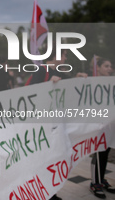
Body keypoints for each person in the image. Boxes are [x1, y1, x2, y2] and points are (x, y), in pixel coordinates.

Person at [29, 48, 87, 200]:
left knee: (53, 159)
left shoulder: (59, 72)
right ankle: (44, 192)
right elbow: (30, 93)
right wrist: (48, 83)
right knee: (43, 159)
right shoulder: (42, 71)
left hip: (54, 125)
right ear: (54, 55)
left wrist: (78, 77)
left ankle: (50, 192)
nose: (65, 58)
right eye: (64, 55)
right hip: (42, 125)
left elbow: (70, 82)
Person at [90, 57, 115, 199]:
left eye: (110, 66)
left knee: (106, 150)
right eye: (106, 66)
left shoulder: (110, 83)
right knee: (99, 152)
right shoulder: (92, 83)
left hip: (110, 123)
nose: (109, 69)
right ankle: (95, 182)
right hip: (98, 123)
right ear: (98, 67)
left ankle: (101, 179)